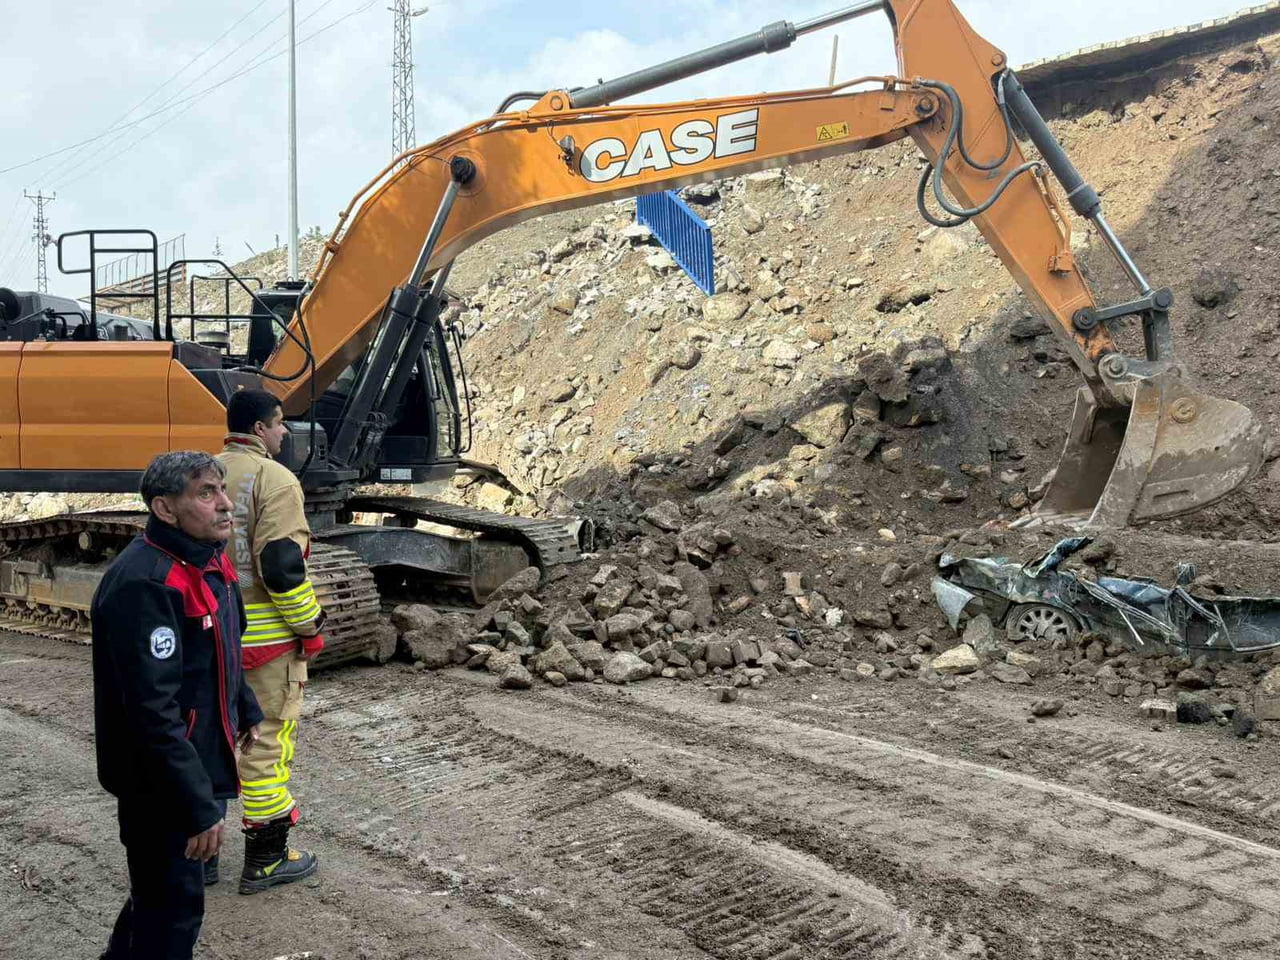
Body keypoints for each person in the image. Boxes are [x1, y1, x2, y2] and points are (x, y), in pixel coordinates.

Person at [93, 451, 263, 960]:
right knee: (173, 912)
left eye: (221, 490)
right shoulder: (147, 583)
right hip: (159, 781)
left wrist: (244, 705)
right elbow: (152, 712)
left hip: (187, 766)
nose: (225, 505)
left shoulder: (208, 562)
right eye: (206, 494)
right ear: (166, 510)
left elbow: (219, 651)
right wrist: (197, 805)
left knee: (159, 898)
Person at [218, 388, 324, 895]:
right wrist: (311, 624)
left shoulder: (203, 474)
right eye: (280, 423)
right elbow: (281, 568)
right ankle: (265, 859)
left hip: (210, 636)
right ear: (260, 429)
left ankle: (201, 859)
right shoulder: (275, 479)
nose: (284, 432)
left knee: (208, 744)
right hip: (262, 644)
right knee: (263, 747)